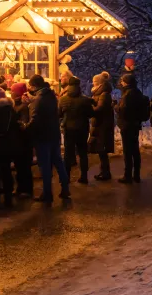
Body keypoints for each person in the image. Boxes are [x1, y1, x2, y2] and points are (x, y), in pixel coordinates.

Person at [25, 74, 70, 203]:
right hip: (54, 134)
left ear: (34, 86)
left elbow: (35, 119)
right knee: (58, 162)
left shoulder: (38, 100)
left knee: (45, 166)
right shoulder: (50, 95)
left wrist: (25, 127)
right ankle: (65, 188)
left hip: (42, 136)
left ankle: (47, 193)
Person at [58, 76, 93, 184]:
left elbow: (58, 114)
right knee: (83, 153)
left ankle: (66, 177)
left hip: (69, 129)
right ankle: (84, 176)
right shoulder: (85, 100)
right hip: (82, 129)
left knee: (68, 154)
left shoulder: (63, 99)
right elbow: (91, 114)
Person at [115, 73, 145, 183]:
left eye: (123, 81)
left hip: (127, 125)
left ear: (126, 82)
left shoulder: (127, 94)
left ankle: (127, 175)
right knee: (135, 150)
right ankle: (136, 174)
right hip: (135, 124)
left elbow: (123, 110)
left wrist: (115, 106)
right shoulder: (137, 92)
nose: (121, 82)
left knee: (127, 151)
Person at [88, 71, 115, 181]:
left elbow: (100, 109)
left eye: (95, 81)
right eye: (93, 81)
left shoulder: (103, 94)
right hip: (100, 124)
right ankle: (103, 171)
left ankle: (105, 173)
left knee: (102, 149)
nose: (93, 83)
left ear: (100, 83)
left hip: (102, 125)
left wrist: (90, 109)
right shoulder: (99, 93)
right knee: (100, 149)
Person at [10, 81, 33, 197]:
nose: (10, 93)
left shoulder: (23, 107)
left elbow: (24, 123)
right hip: (17, 141)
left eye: (12, 91)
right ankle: (20, 188)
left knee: (24, 167)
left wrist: (14, 122)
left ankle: (26, 190)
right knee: (19, 166)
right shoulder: (15, 104)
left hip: (23, 142)